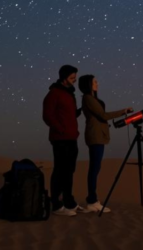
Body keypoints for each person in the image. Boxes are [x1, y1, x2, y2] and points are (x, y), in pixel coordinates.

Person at [78, 74, 133, 213]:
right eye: (95, 82)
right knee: (94, 169)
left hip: (98, 136)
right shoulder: (88, 98)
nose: (97, 83)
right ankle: (92, 201)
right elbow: (103, 115)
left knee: (95, 168)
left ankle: (93, 200)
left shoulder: (91, 98)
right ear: (88, 84)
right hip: (95, 137)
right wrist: (123, 111)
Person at [42, 64, 86, 216]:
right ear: (64, 78)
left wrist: (81, 111)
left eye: (75, 77)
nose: (74, 80)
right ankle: (56, 204)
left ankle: (69, 201)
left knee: (69, 171)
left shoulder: (69, 94)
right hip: (60, 139)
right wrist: (60, 129)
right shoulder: (54, 93)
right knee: (60, 170)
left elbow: (70, 115)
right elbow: (47, 115)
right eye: (72, 77)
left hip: (71, 137)